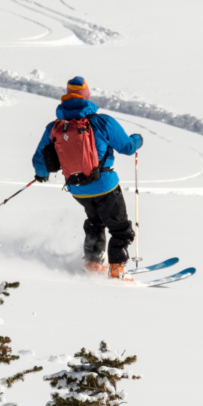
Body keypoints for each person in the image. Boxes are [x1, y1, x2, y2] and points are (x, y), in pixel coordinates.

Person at [32, 76, 143, 281]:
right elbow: (127, 147)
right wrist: (138, 139)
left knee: (95, 222)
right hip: (105, 185)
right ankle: (117, 270)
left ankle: (93, 263)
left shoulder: (55, 127)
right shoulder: (102, 121)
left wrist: (41, 175)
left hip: (78, 188)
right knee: (120, 229)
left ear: (66, 96)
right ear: (87, 96)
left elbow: (39, 158)